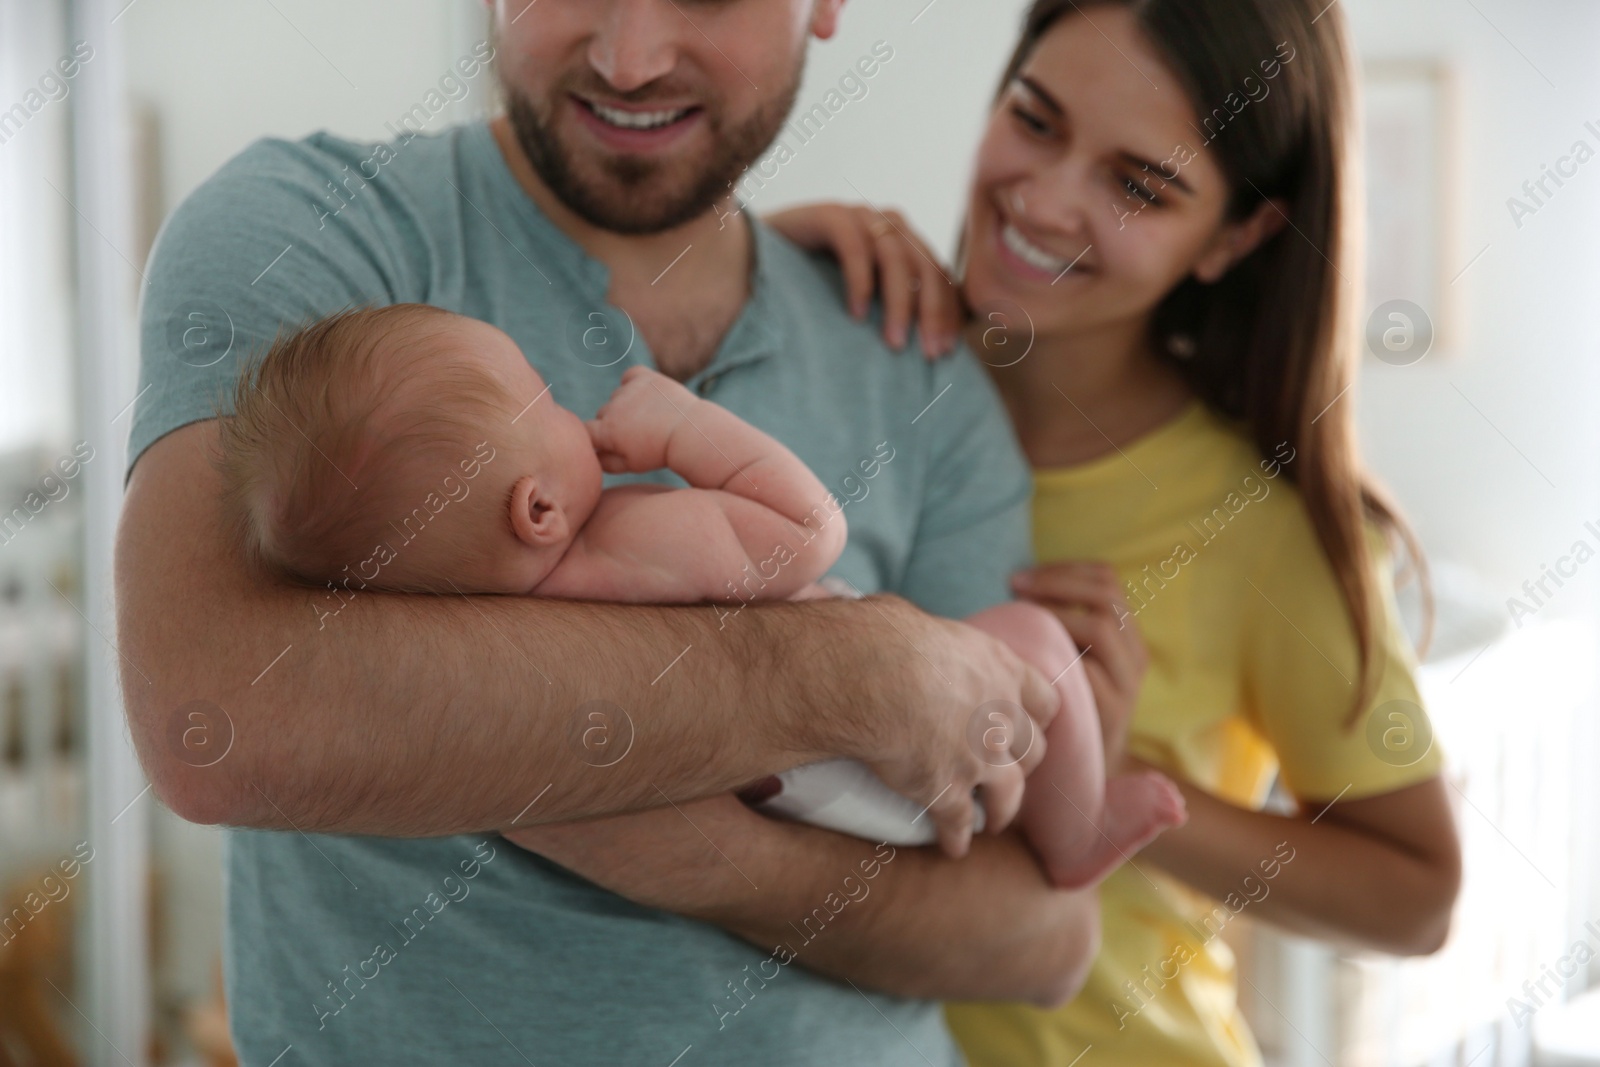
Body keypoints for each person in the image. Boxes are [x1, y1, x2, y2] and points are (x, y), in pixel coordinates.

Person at [115, 3, 1105, 1064]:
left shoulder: (915, 356)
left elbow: (1040, 937)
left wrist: (630, 816)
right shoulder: (314, 238)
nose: (627, 61)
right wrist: (846, 674)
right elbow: (215, 714)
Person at [769, 0, 1463, 1063]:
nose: (1042, 199)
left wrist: (1119, 774)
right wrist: (753, 274)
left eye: (1138, 185)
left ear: (1237, 235)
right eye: (1035, 120)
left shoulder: (1262, 528)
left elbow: (1415, 899)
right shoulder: (854, 354)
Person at [212, 302, 1184, 880]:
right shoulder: (630, 536)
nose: (567, 400)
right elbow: (809, 535)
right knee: (1033, 635)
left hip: (811, 780)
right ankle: (1075, 835)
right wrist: (683, 428)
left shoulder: (485, 616)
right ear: (538, 509)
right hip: (869, 765)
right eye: (544, 397)